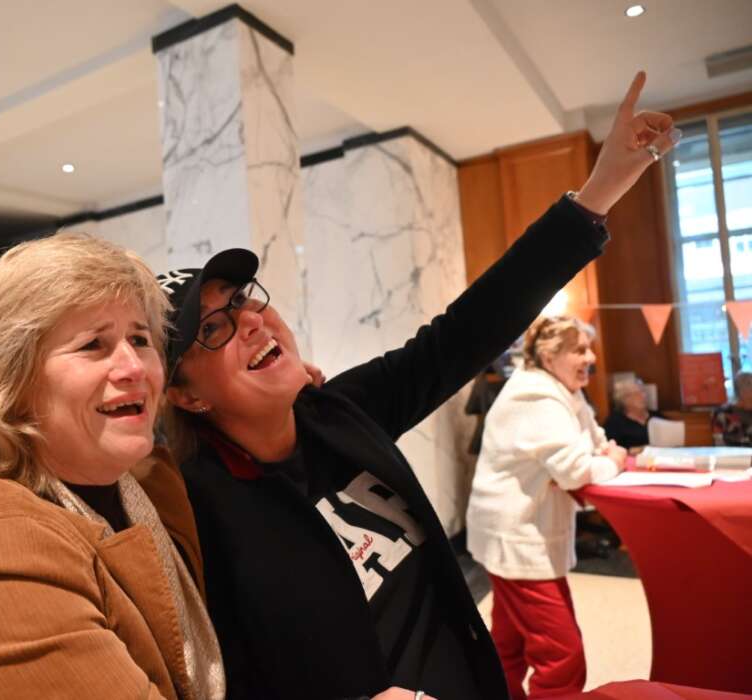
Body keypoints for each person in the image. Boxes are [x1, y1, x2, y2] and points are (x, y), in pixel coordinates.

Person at [155, 72, 676, 700]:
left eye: (243, 299)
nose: (251, 320)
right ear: (184, 395)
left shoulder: (337, 411)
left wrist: (602, 188)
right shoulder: (198, 511)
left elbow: (462, 334)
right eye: (213, 328)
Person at [0, 234, 225, 699]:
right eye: (93, 344)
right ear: (12, 382)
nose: (134, 366)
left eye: (139, 338)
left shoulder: (145, 481)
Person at [466, 316, 626, 698]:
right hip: (518, 538)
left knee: (509, 643)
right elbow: (577, 470)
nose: (591, 358)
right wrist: (614, 462)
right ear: (549, 356)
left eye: (590, 349)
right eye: (579, 350)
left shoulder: (564, 391)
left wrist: (602, 456)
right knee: (562, 654)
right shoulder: (537, 397)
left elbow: (596, 442)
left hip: (515, 534)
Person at [604, 377, 662, 449]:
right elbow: (609, 448)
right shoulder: (614, 422)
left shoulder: (656, 416)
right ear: (623, 399)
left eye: (642, 391)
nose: (642, 396)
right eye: (635, 394)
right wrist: (634, 450)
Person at [713, 371, 752, 446]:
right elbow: (719, 442)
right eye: (750, 399)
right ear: (739, 395)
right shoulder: (722, 413)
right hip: (732, 452)